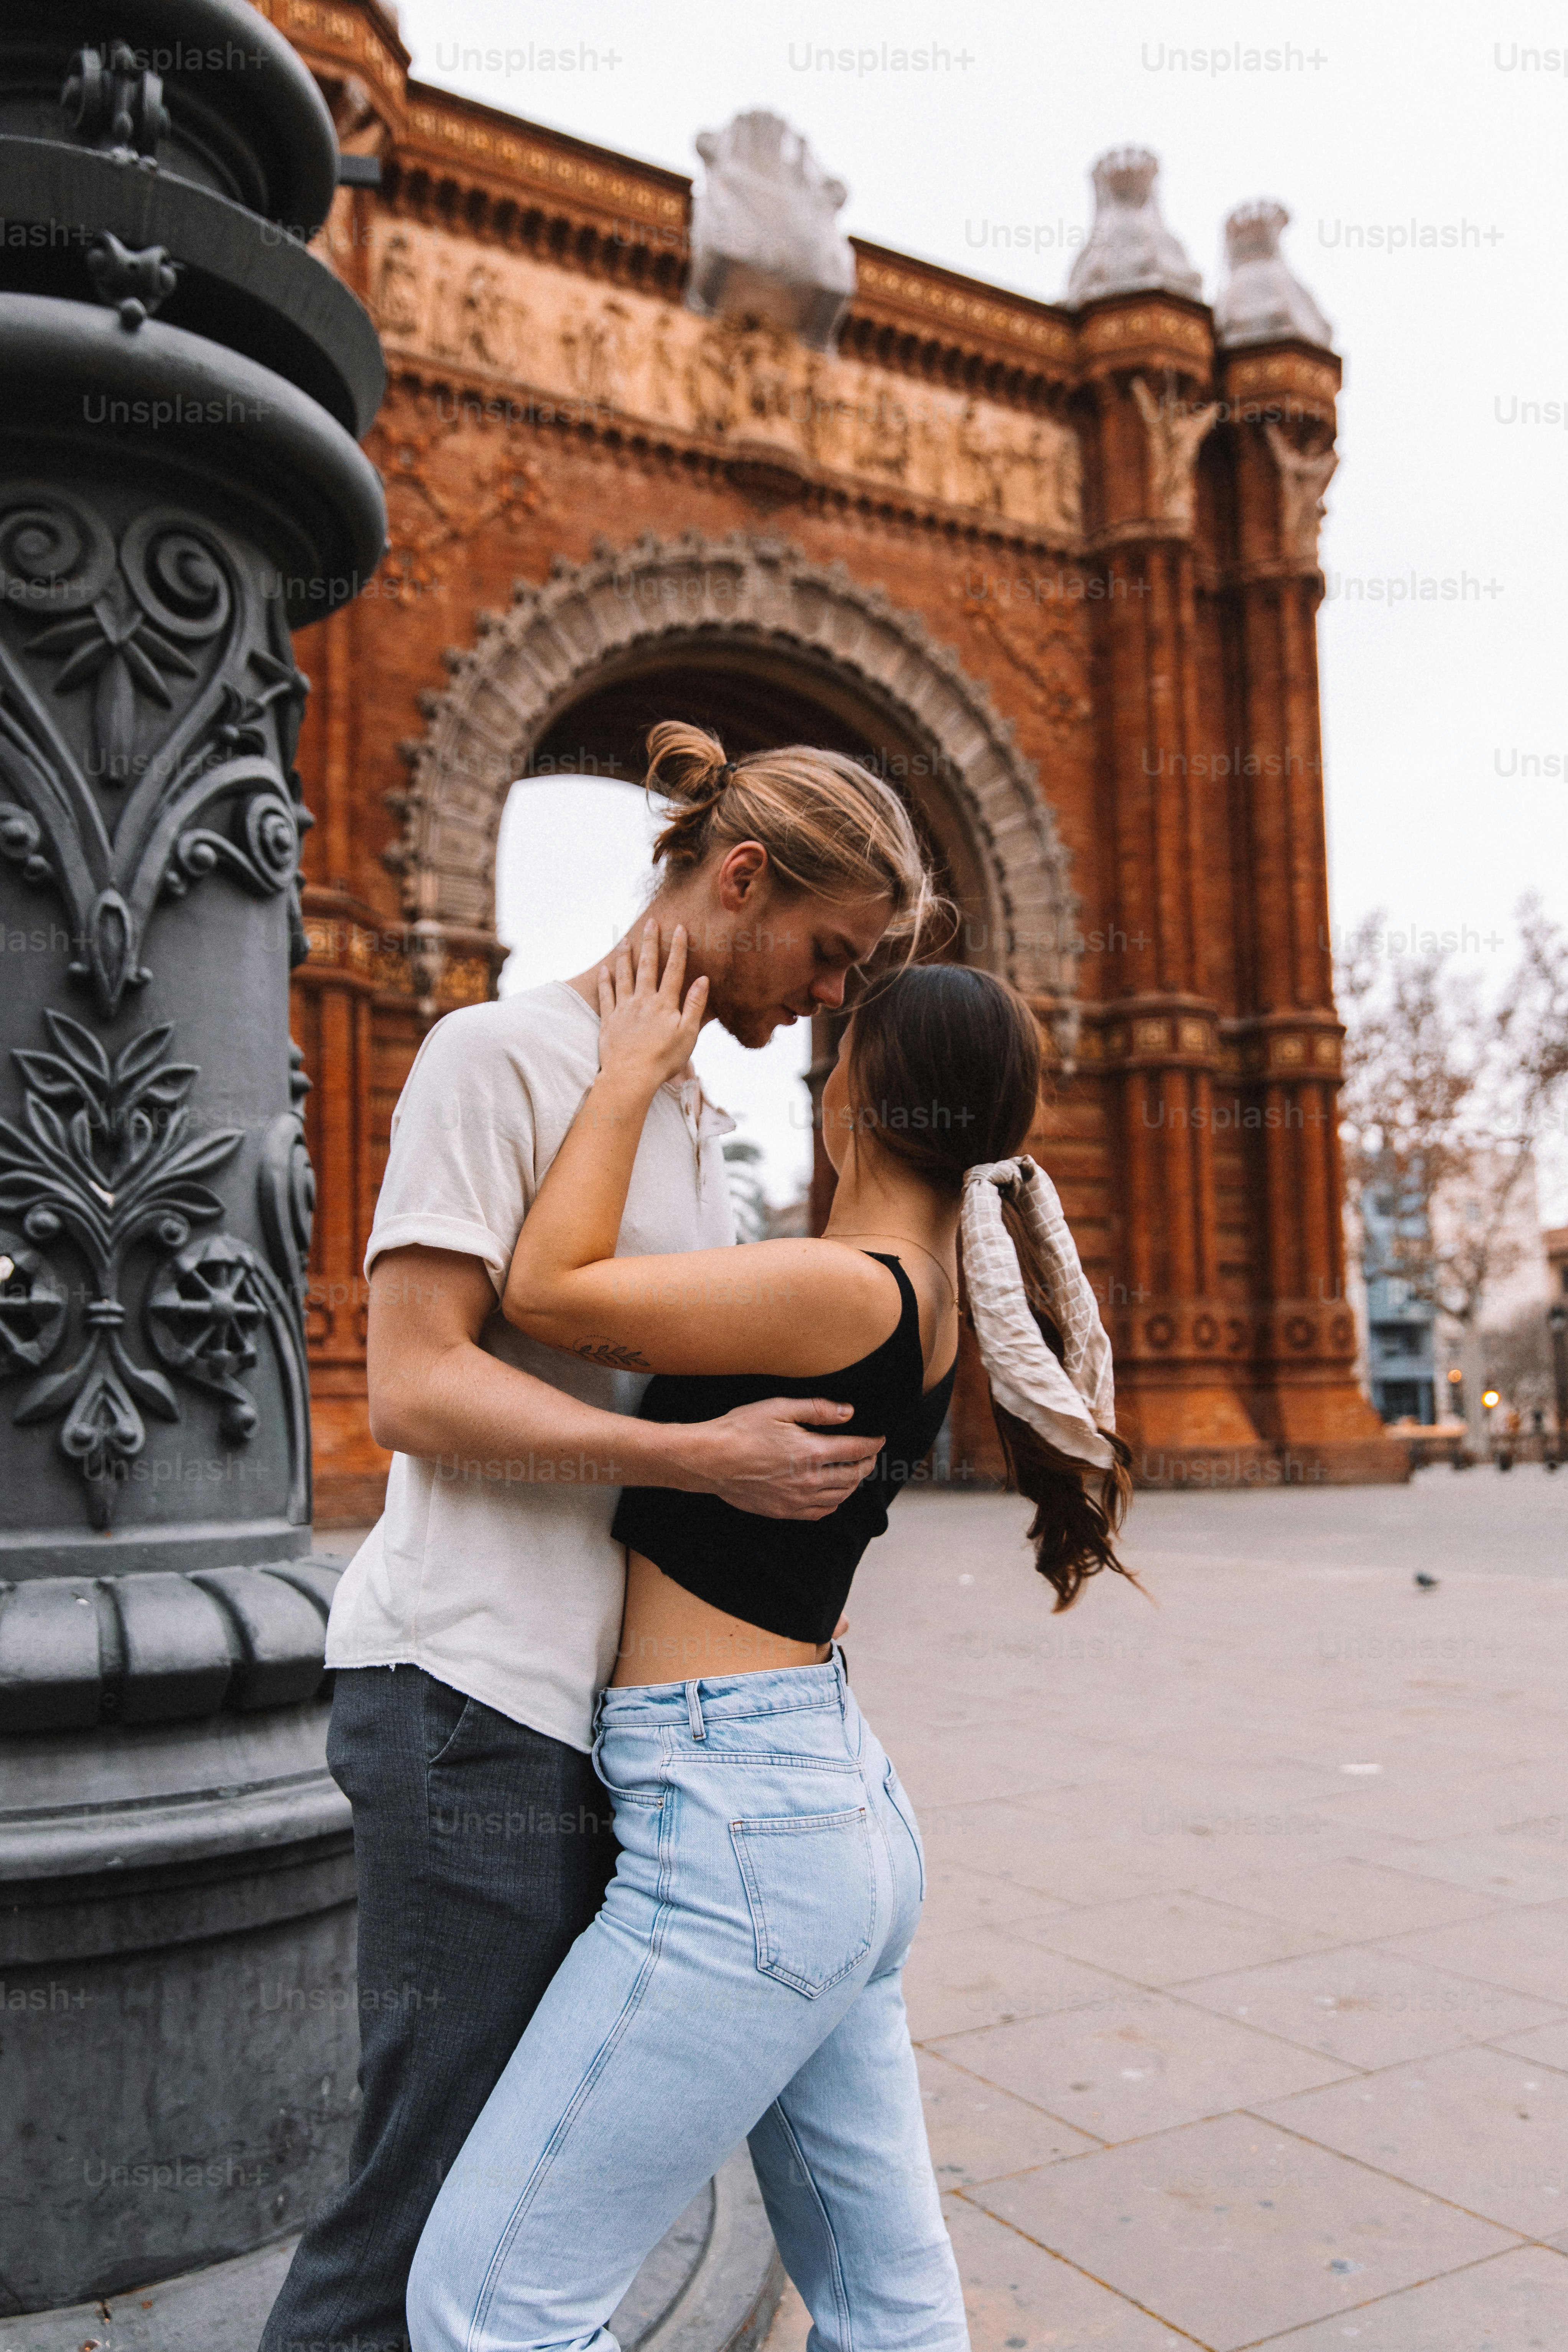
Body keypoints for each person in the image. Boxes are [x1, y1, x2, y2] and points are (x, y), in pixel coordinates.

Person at [259, 724, 933, 2352]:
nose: (829, 998)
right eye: (830, 955)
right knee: (420, 2210)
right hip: (467, 1697)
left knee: (505, 2209)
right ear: (742, 878)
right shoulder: (495, 1055)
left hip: (604, 1733)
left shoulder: (682, 1121)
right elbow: (413, 1388)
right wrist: (691, 1455)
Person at [405, 923, 1135, 2352]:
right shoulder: (907, 1295)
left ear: (860, 1090)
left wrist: (623, 1077)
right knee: (885, 2302)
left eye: (838, 1047)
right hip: (820, 1808)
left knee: (486, 2311)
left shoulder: (845, 1284)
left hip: (741, 1832)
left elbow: (544, 1290)